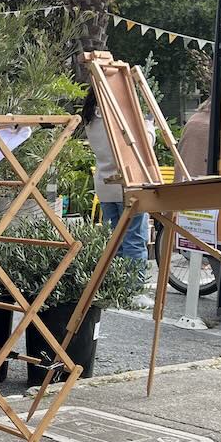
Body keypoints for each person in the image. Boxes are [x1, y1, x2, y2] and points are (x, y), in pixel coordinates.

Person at [81, 87, 153, 300]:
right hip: (128, 184)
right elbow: (141, 145)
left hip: (105, 185)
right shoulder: (117, 117)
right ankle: (134, 290)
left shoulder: (91, 116)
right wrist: (149, 127)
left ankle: (117, 286)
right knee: (135, 238)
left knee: (117, 239)